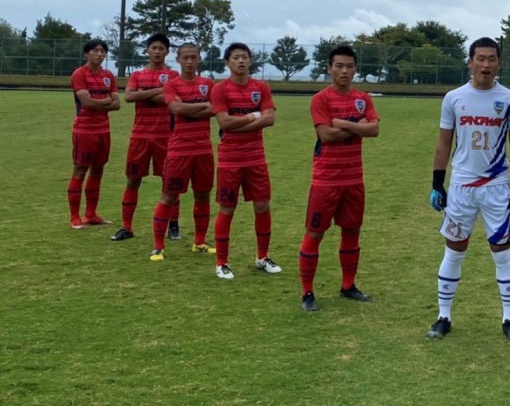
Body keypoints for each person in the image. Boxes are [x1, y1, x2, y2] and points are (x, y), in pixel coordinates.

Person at [426, 37, 510, 342]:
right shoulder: (453, 98)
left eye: (492, 59)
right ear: (470, 62)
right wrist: (436, 183)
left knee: (502, 251)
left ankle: (509, 319)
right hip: (461, 187)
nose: (486, 65)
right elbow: (444, 142)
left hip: (496, 188)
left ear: (499, 62)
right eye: (480, 59)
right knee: (454, 250)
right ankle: (443, 316)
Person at [298, 45, 381, 311]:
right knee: (314, 233)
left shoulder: (363, 98)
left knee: (352, 232)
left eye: (349, 66)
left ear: (355, 69)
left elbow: (375, 129)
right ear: (329, 68)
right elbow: (326, 135)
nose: (344, 71)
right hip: (326, 180)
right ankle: (307, 292)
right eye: (339, 66)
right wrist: (358, 126)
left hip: (354, 180)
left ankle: (348, 286)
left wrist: (344, 124)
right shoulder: (321, 99)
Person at [209, 43, 282, 280]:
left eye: (244, 57)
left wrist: (240, 121)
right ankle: (222, 262)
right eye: (235, 57)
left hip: (256, 158)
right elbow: (224, 123)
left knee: (262, 206)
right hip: (230, 160)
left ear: (250, 61)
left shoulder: (261, 87)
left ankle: (262, 257)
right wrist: (253, 115)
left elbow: (270, 119)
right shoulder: (220, 89)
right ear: (227, 62)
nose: (240, 61)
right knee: (227, 209)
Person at [149, 43, 215, 261]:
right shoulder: (172, 84)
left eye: (193, 57)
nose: (189, 61)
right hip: (179, 150)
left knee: (203, 195)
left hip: (203, 149)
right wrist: (201, 107)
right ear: (177, 60)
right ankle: (158, 246)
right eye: (185, 57)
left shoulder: (208, 83)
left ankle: (200, 241)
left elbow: (215, 109)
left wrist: (188, 108)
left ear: (199, 59)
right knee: (169, 196)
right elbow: (175, 109)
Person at [111, 33, 178, 242]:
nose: (157, 52)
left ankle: (173, 225)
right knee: (132, 181)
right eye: (154, 48)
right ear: (147, 51)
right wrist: (158, 91)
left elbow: (171, 99)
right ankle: (127, 227)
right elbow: (129, 96)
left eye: (161, 48)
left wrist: (145, 93)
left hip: (165, 137)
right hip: (139, 136)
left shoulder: (174, 75)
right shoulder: (137, 75)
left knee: (169, 183)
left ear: (167, 52)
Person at [68, 39, 121, 229]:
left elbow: (117, 104)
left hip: (103, 129)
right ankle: (74, 217)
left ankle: (91, 214)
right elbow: (87, 103)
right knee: (80, 170)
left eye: (102, 51)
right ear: (86, 54)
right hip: (84, 129)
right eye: (95, 51)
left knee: (98, 169)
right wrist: (106, 101)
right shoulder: (79, 74)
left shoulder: (109, 76)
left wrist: (99, 102)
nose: (99, 54)